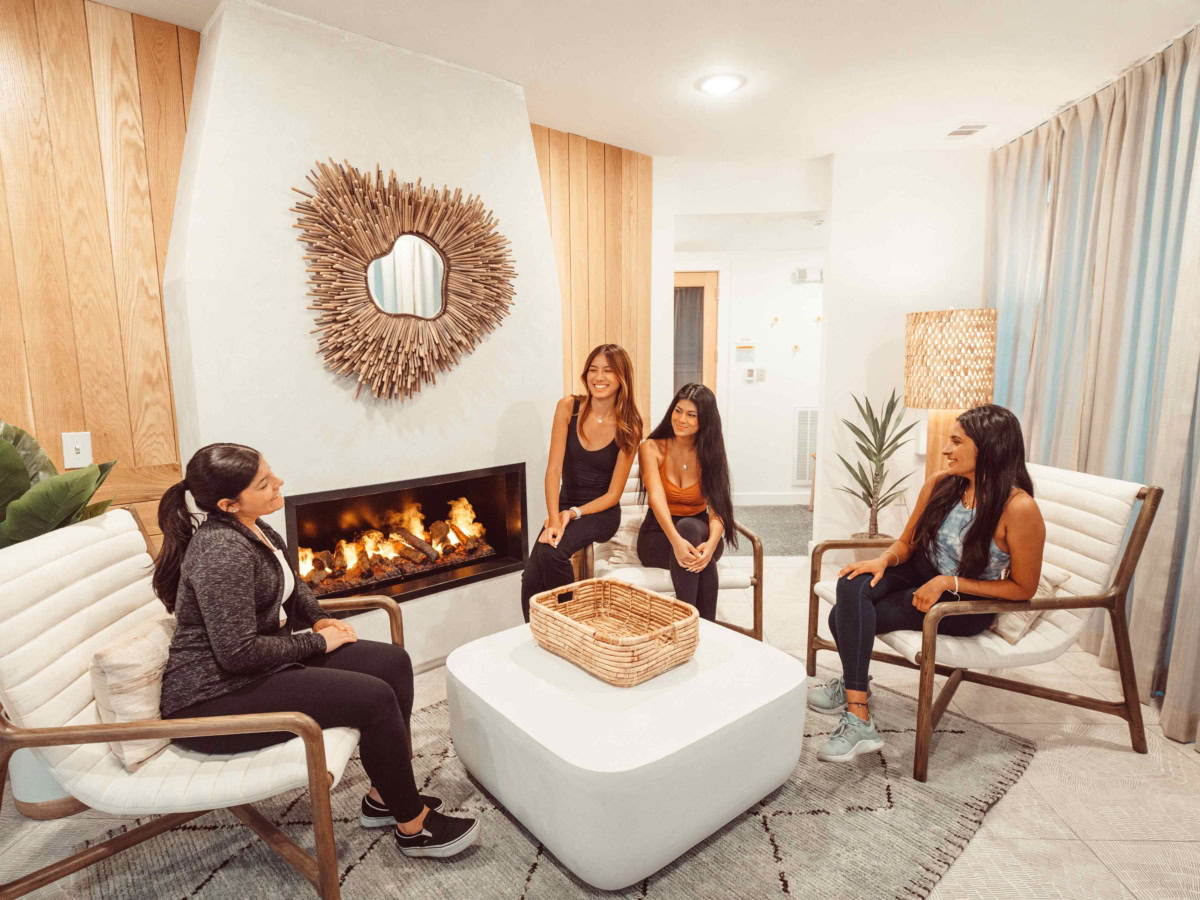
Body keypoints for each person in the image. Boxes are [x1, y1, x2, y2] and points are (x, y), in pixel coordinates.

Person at [155, 443, 479, 859]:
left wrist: (319, 618)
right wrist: (317, 642)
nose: (279, 483)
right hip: (212, 699)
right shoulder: (221, 549)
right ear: (228, 503)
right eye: (264, 482)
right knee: (373, 698)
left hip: (256, 666)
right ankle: (414, 827)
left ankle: (384, 796)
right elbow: (236, 653)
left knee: (392, 663)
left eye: (271, 473)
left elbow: (292, 585)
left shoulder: (253, 527)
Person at [809, 404, 1046, 762]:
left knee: (840, 617)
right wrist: (883, 560)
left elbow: (1023, 588)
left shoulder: (1019, 508)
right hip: (922, 572)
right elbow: (908, 543)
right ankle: (858, 708)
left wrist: (948, 581)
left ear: (989, 448)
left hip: (965, 603)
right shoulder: (942, 484)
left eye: (956, 441)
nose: (946, 449)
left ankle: (854, 701)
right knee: (852, 583)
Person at [521, 344, 642, 620]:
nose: (599, 377)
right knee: (531, 576)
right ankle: (535, 631)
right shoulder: (568, 407)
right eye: (593, 370)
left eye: (608, 371)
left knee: (552, 554)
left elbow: (613, 494)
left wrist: (573, 514)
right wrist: (554, 518)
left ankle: (573, 622)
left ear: (622, 377)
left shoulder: (629, 424)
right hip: (563, 505)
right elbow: (553, 470)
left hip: (601, 512)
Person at [636, 383, 738, 622]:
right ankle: (701, 626)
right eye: (678, 410)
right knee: (688, 536)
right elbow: (656, 498)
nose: (681, 419)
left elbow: (718, 508)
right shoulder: (651, 448)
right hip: (658, 536)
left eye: (691, 415)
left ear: (705, 420)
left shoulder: (710, 452)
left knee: (691, 530)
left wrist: (712, 544)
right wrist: (676, 542)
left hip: (702, 535)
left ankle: (686, 626)